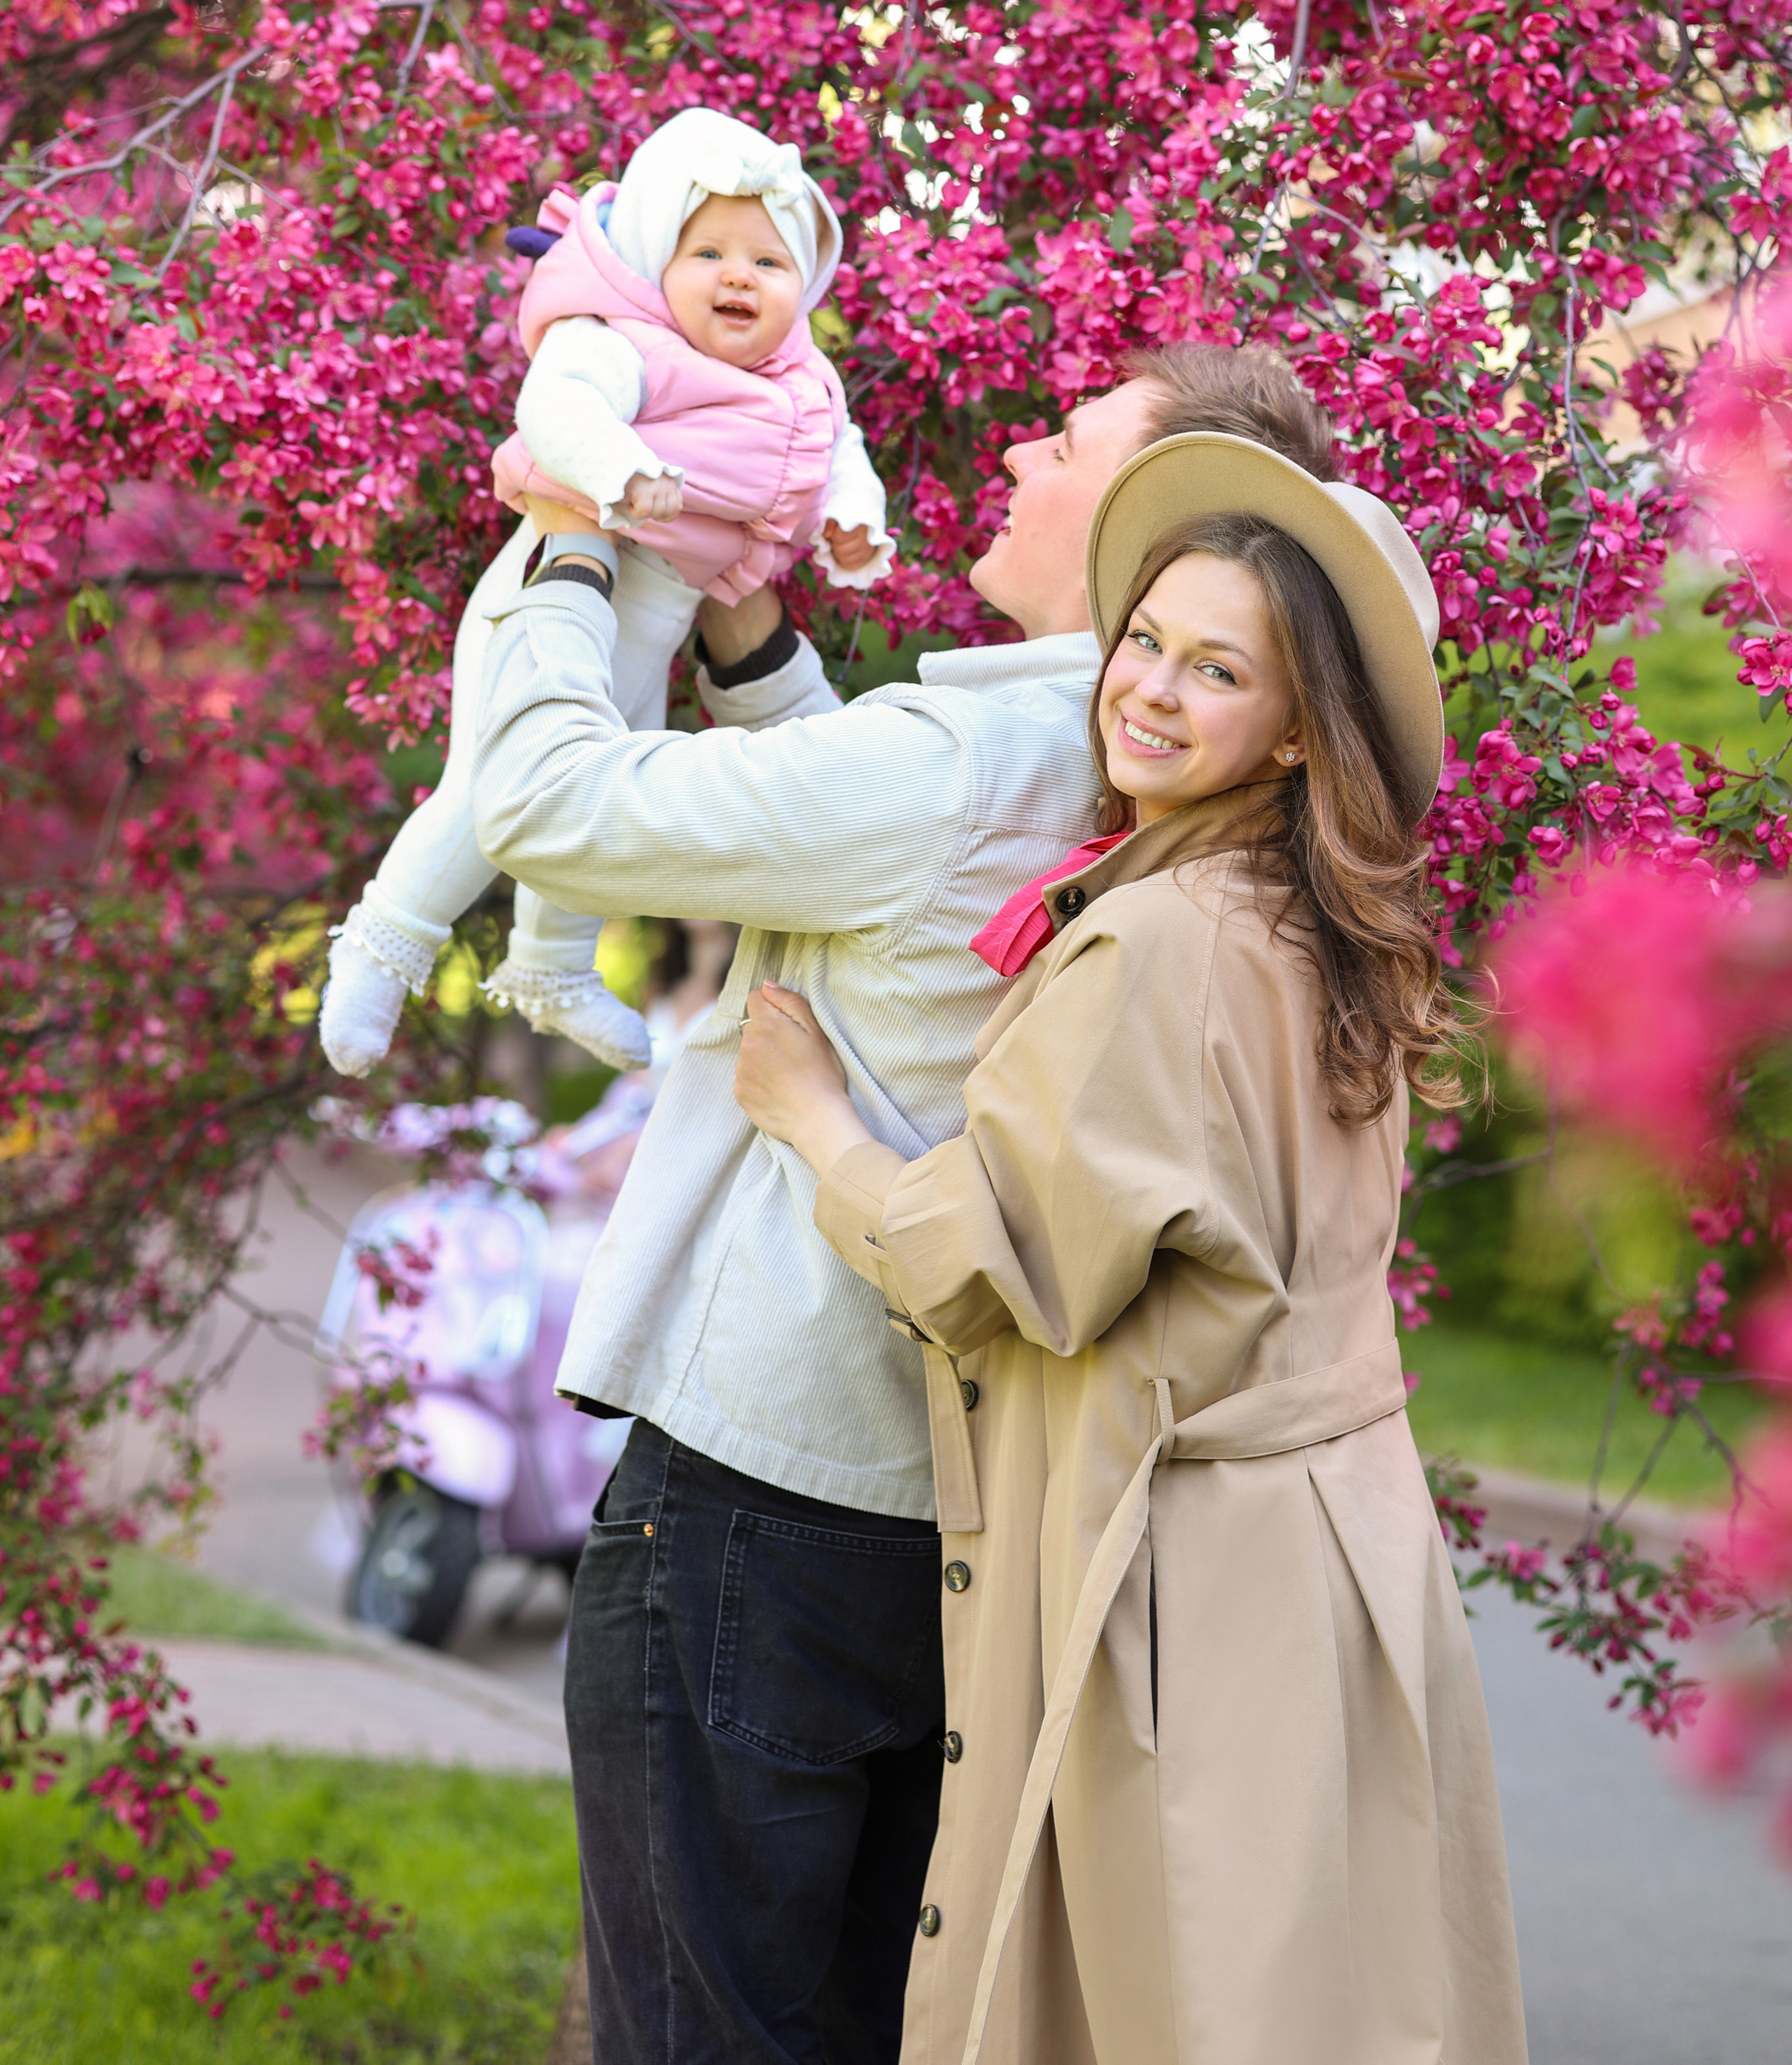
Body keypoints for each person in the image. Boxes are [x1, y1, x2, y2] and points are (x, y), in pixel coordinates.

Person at [471, 346, 1341, 2065]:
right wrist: (742, 639)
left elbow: (542, 804)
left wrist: (571, 550)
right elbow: (878, 862)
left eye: (1071, 435)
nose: (1021, 443)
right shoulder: (1146, 771)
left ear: (1159, 518)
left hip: (750, 1495)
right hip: (945, 1511)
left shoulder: (983, 750)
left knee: (704, 2028)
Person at [734, 432, 1529, 2065]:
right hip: (1337, 1555)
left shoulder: (1156, 941)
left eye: (1215, 668)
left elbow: (996, 1263)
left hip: (1188, 1579)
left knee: (1174, 1998)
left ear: (1298, 728)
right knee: (1326, 1999)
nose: (1149, 691)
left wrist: (814, 1122)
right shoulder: (1312, 927)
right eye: (1145, 643)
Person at [319, 107, 892, 1078]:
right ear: (656, 265)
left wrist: (853, 522)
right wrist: (620, 470)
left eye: (768, 261)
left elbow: (846, 459)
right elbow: (556, 405)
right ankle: (380, 947)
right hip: (556, 584)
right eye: (707, 251)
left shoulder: (809, 382)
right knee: (490, 786)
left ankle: (551, 965)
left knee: (600, 785)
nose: (738, 277)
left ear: (806, 287)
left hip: (656, 618)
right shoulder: (627, 341)